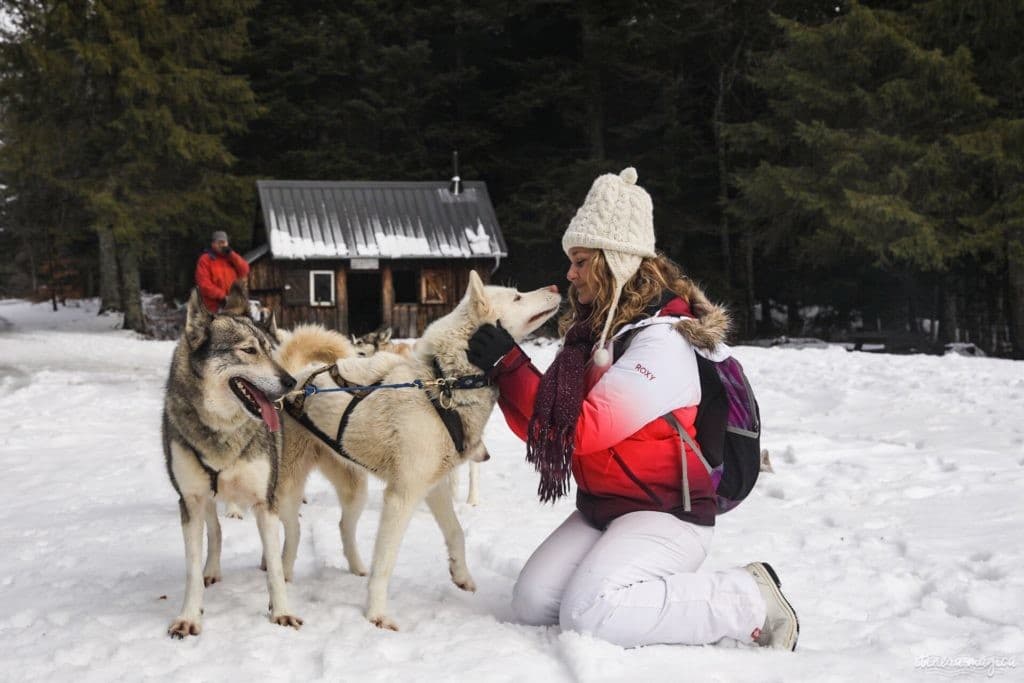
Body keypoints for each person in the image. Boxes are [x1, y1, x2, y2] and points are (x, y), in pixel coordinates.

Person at [466, 167, 799, 650]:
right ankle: (624, 582)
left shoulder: (662, 343)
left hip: (667, 514)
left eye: (581, 261)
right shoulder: (591, 338)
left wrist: (512, 365)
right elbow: (547, 428)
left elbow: (583, 430)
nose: (570, 273)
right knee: (534, 603)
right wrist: (502, 371)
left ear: (614, 263)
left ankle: (746, 595)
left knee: (590, 615)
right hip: (605, 508)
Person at [194, 230, 250, 313]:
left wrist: (232, 255)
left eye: (224, 242)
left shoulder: (232, 258)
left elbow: (245, 270)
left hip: (233, 305)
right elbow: (204, 285)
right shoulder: (205, 259)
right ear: (213, 244)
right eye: (219, 242)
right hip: (214, 307)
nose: (222, 245)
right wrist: (223, 296)